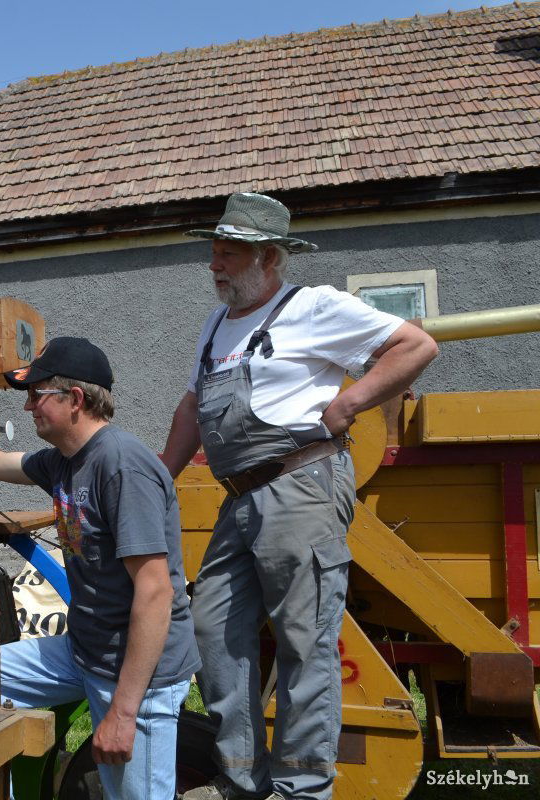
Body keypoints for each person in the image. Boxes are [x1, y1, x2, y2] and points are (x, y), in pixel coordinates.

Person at [165, 193, 438, 800]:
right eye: (213, 250)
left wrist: (346, 404)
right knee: (213, 626)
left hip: (300, 485)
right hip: (240, 497)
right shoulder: (215, 324)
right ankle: (241, 780)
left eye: (227, 252)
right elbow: (192, 405)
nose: (215, 263)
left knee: (303, 641)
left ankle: (302, 788)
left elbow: (415, 345)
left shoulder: (313, 307)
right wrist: (164, 470)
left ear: (268, 257)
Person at [0, 337, 200, 800]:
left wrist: (124, 712)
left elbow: (156, 594)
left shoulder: (121, 466)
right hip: (85, 651)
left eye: (37, 394)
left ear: (74, 399)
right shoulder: (63, 461)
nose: (29, 406)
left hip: (138, 673)